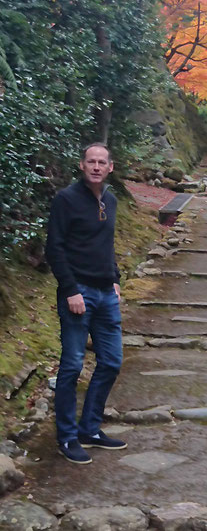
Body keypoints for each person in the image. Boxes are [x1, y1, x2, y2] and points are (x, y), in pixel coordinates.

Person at [45, 143, 127, 464]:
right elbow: (55, 247)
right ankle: (66, 436)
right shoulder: (66, 199)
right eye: (90, 161)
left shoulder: (111, 199)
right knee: (72, 364)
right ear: (82, 165)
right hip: (77, 292)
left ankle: (89, 429)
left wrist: (116, 278)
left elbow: (107, 245)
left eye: (101, 162)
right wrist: (70, 290)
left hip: (106, 293)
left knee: (111, 361)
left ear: (110, 167)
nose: (96, 166)